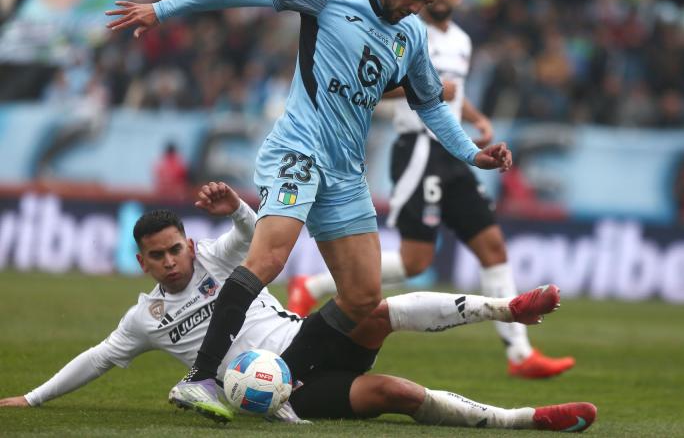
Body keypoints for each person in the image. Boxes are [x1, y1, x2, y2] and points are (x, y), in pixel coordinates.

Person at [105, 0, 513, 421]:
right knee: (270, 256)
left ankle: (278, 382)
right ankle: (200, 379)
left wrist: (471, 153)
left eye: (427, 3)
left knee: (363, 297)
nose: (417, 7)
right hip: (297, 150)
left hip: (345, 173)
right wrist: (163, 8)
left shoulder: (412, 39)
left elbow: (429, 103)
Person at [0, 181, 597, 432]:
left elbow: (254, 228)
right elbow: (98, 358)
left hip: (304, 340)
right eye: (157, 256)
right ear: (143, 262)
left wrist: (233, 202)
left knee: (373, 308)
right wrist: (31, 398)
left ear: (188, 244)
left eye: (175, 249)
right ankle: (526, 420)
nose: (171, 262)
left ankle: (506, 309)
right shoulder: (144, 320)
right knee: (400, 396)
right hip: (285, 392)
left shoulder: (214, 257)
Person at [287, 0, 574, 379]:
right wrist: (426, 91)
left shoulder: (461, 40)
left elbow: (453, 92)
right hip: (419, 149)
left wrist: (476, 118)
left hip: (454, 155)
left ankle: (520, 355)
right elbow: (372, 83)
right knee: (415, 260)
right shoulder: (405, 29)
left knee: (493, 246)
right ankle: (312, 286)